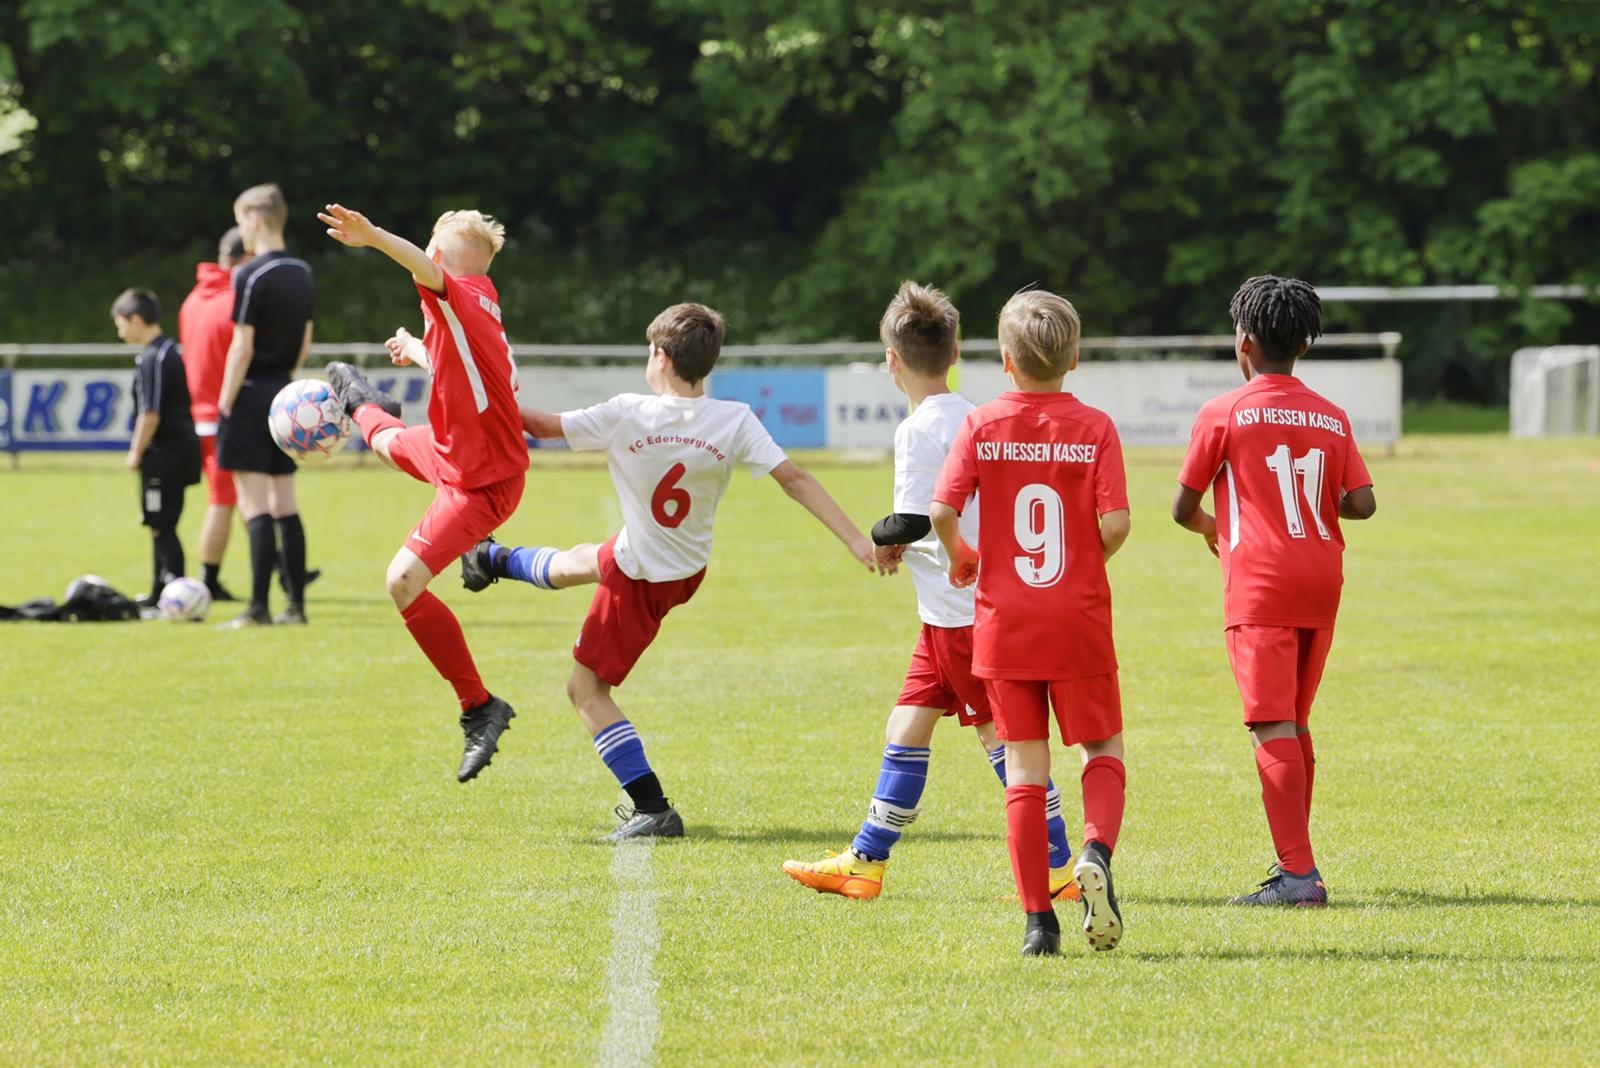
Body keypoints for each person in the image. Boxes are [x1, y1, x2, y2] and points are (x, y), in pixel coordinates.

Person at [458, 302, 877, 840]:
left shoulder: (628, 412)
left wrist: (478, 389)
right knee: (588, 558)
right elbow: (794, 480)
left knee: (585, 691)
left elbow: (537, 426)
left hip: (643, 576)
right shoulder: (734, 419)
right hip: (683, 565)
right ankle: (492, 559)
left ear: (659, 356)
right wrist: (854, 541)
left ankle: (651, 806)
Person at [782, 281, 1079, 902]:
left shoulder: (918, 430)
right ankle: (865, 862)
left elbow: (917, 518)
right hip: (951, 608)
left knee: (1002, 741)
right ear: (957, 351)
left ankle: (1056, 866)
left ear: (892, 360)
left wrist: (881, 539)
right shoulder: (974, 414)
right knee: (906, 725)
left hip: (962, 612)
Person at [930, 288, 1131, 957]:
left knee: (1024, 768)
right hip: (1076, 616)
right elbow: (1116, 523)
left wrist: (964, 557)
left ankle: (1037, 924)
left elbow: (941, 510)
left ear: (1006, 362)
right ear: (1073, 358)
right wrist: (1080, 562)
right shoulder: (1095, 426)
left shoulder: (983, 423)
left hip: (1005, 618)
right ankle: (1096, 849)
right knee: (1100, 749)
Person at [1172, 275, 1377, 907]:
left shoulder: (1225, 411)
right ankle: (1296, 862)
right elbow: (1363, 503)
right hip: (1322, 577)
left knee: (1270, 724)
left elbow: (1183, 506)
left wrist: (1216, 529)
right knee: (1295, 722)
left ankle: (1297, 876)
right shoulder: (1331, 414)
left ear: (1244, 342)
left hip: (1260, 579)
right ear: (1303, 347)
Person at [316, 202, 527, 784]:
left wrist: (373, 235)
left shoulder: (452, 289)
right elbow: (461, 361)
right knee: (387, 445)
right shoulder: (481, 303)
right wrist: (415, 350)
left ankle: (479, 706)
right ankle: (366, 406)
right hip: (459, 453)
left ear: (438, 258)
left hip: (480, 484)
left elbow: (423, 268)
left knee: (401, 581)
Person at [216, 184, 315, 627]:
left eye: (240, 220)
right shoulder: (303, 271)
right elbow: (305, 341)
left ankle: (258, 608)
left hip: (252, 391)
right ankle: (295, 606)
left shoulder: (250, 274)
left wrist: (225, 401)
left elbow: (241, 347)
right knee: (285, 502)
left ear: (254, 219)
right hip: (285, 394)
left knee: (254, 503)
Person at [112, 288, 201, 607]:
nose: (119, 332)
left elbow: (150, 413)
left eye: (121, 324)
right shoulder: (167, 351)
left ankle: (178, 596)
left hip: (165, 456)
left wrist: (136, 453)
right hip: (179, 452)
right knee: (161, 523)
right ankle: (157, 592)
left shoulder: (154, 357)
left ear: (136, 320)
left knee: (161, 525)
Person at [177, 227, 249, 602]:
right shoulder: (235, 301)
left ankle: (286, 570)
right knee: (226, 500)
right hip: (229, 413)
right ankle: (208, 579)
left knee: (241, 497)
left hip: (198, 413)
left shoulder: (193, 300)